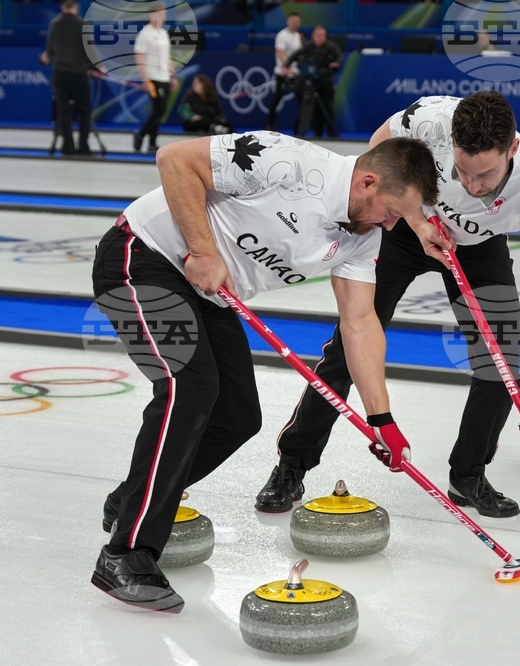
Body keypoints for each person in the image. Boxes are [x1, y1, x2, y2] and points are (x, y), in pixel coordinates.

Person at [91, 132, 440, 613]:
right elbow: (174, 159)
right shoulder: (288, 161)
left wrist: (382, 421)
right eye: (392, 211)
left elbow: (360, 323)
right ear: (368, 181)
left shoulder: (364, 237)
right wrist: (205, 251)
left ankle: (132, 498)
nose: (393, 224)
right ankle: (125, 555)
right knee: (189, 388)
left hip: (208, 291)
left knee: (237, 416)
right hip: (144, 257)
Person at [254, 91, 520, 520]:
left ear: (512, 148)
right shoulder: (433, 117)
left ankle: (468, 473)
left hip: (479, 248)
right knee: (350, 347)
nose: (474, 186)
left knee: (501, 361)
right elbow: (377, 154)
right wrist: (416, 219)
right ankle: (293, 464)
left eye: (486, 175)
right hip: (404, 228)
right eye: (462, 171)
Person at [41, 0, 92, 156]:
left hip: (60, 74)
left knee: (64, 111)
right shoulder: (83, 25)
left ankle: (67, 148)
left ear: (62, 6)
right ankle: (83, 146)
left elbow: (48, 53)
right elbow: (89, 53)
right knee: (84, 111)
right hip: (78, 75)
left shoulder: (54, 24)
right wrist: (95, 68)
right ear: (75, 6)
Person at [133, 2, 177, 154]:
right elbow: (139, 57)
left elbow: (167, 56)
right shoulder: (145, 34)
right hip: (152, 77)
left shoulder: (163, 34)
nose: (162, 17)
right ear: (151, 14)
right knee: (159, 109)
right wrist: (145, 79)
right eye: (160, 14)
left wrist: (173, 75)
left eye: (164, 14)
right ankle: (140, 135)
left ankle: (151, 142)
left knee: (160, 111)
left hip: (164, 76)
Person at [286, 25, 342, 138]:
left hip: (325, 81)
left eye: (322, 35)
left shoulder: (331, 46)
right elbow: (294, 56)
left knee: (328, 107)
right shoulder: (307, 46)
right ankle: (311, 132)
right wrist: (286, 66)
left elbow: (339, 58)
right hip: (310, 82)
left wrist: (336, 64)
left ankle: (332, 133)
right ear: (313, 36)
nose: (320, 38)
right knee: (311, 108)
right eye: (317, 35)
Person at [266, 12, 303, 132]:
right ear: (288, 22)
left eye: (297, 21)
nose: (295, 23)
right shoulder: (282, 35)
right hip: (282, 73)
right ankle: (270, 125)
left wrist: (295, 69)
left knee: (302, 101)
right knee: (277, 99)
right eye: (293, 21)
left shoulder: (298, 36)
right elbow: (280, 52)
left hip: (295, 73)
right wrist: (286, 67)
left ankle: (298, 128)